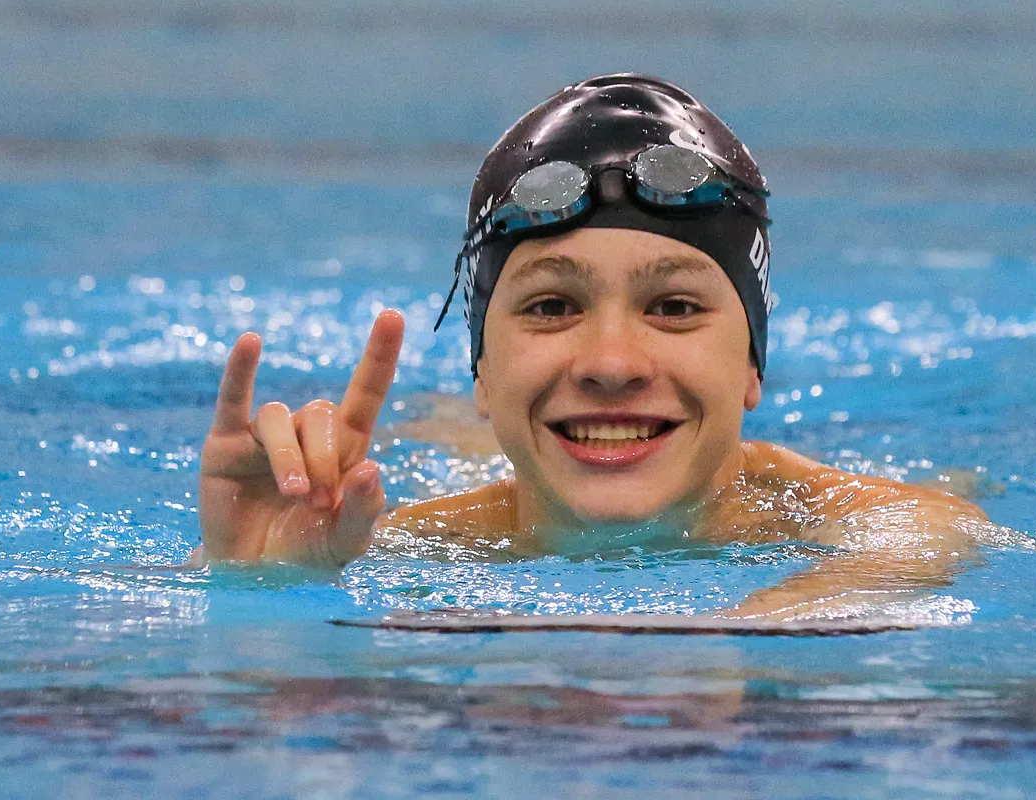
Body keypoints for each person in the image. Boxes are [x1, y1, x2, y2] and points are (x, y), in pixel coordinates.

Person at [192, 74, 990, 620]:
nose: (612, 363)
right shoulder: (404, 543)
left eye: (674, 307)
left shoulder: (862, 521)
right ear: (482, 367)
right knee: (464, 455)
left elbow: (925, 538)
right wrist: (257, 581)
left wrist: (738, 634)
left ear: (752, 366)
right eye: (550, 306)